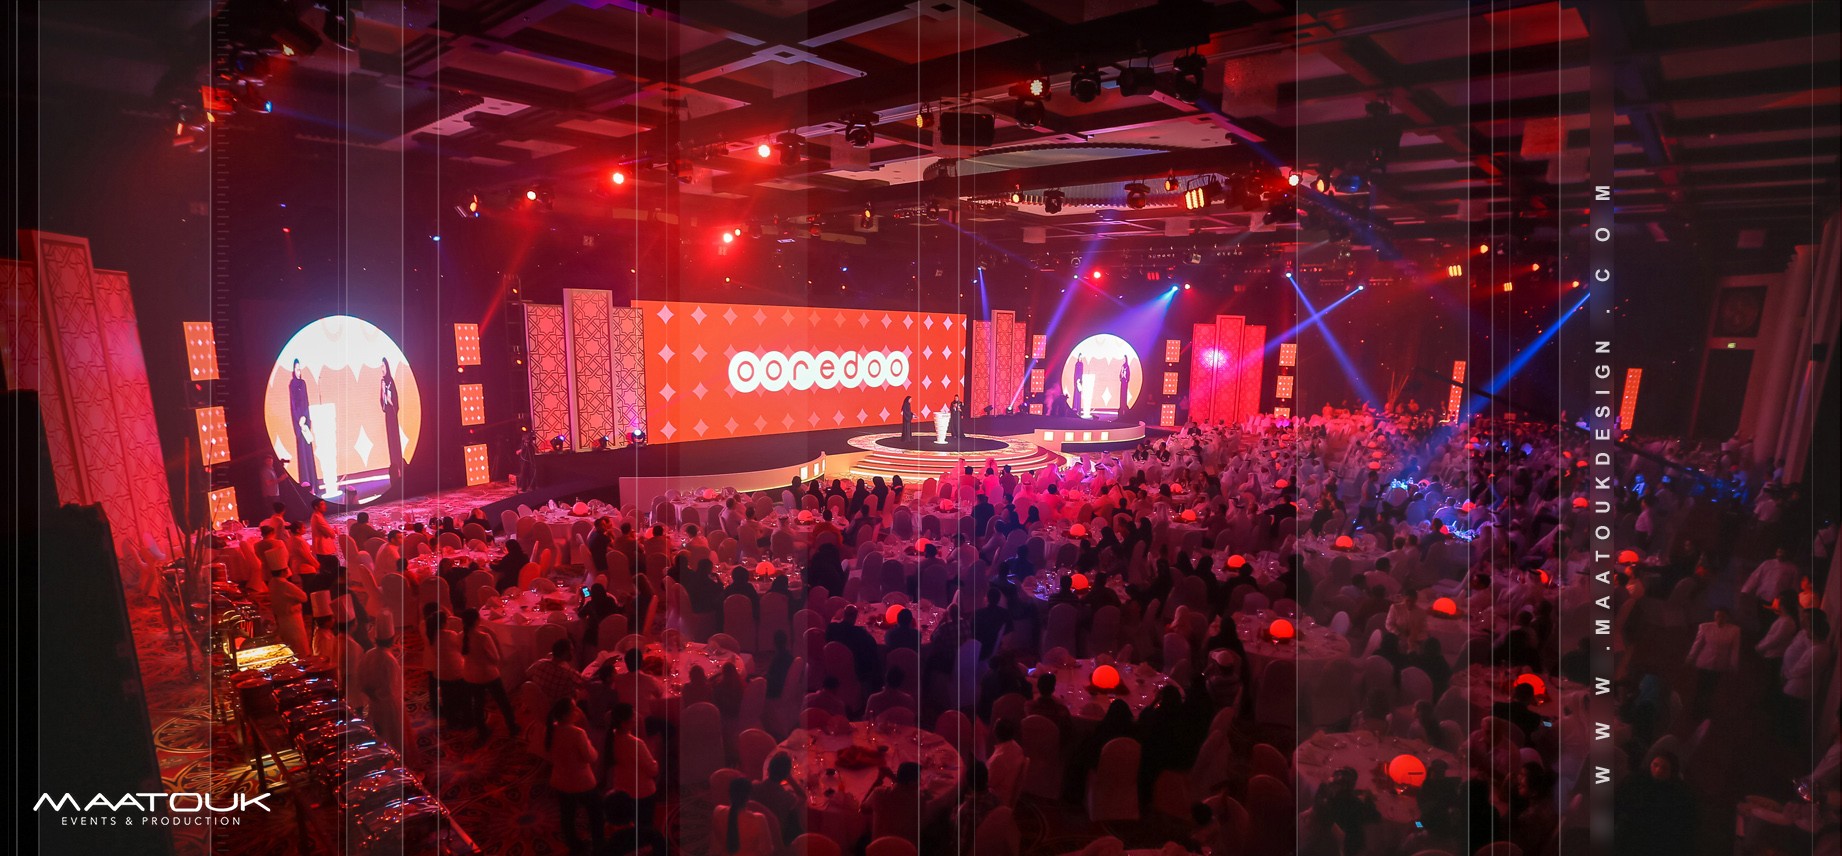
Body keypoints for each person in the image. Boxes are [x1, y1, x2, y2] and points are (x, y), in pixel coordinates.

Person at [602, 702, 667, 856]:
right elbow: (653, 770)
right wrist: (655, 759)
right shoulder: (635, 744)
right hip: (642, 791)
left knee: (630, 826)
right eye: (632, 717)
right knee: (644, 827)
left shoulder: (612, 738)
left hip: (622, 788)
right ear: (624, 722)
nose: (635, 719)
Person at [544, 697, 602, 853]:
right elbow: (592, 757)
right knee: (596, 814)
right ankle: (599, 845)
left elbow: (549, 754)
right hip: (581, 782)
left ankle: (574, 845)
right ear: (565, 715)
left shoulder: (551, 729)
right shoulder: (577, 733)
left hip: (560, 781)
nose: (578, 711)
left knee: (567, 816)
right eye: (574, 709)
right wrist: (590, 745)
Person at [355, 623, 418, 766]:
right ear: (392, 639)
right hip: (390, 705)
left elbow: (361, 679)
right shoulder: (389, 660)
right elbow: (393, 688)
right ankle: (397, 764)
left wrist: (371, 694)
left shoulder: (369, 654)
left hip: (374, 703)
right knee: (394, 736)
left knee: (380, 732)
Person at [1614, 750, 1696, 855]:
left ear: (1672, 771)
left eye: (1664, 768)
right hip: (1630, 834)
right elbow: (1618, 803)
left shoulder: (1679, 794)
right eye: (1655, 765)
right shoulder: (1635, 781)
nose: (1658, 770)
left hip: (1658, 840)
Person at [459, 611, 519, 745]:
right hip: (488, 673)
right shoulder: (483, 637)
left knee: (478, 705)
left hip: (469, 675)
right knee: (503, 701)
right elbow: (495, 658)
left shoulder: (459, 636)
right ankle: (512, 726)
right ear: (477, 621)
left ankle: (482, 732)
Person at [1685, 606, 1741, 719]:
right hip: (1704, 662)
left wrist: (1733, 665)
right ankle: (1696, 710)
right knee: (1701, 686)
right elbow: (1697, 644)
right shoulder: (1705, 627)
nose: (1719, 619)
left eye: (1722, 616)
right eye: (1717, 616)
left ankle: (1705, 708)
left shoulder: (1735, 630)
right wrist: (1690, 658)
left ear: (1727, 618)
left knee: (1711, 688)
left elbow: (1735, 649)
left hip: (1720, 664)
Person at [863, 762, 923, 844]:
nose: (920, 783)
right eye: (919, 780)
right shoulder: (918, 801)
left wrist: (878, 780)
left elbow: (863, 808)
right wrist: (893, 777)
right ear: (912, 783)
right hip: (905, 848)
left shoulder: (879, 793)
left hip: (877, 848)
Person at [713, 777, 774, 856]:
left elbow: (715, 844)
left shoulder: (718, 811)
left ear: (729, 793)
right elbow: (768, 850)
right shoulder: (759, 819)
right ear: (749, 797)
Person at [752, 753, 807, 838]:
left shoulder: (754, 787)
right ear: (786, 775)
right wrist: (790, 779)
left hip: (756, 831)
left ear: (768, 769)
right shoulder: (786, 797)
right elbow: (803, 797)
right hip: (776, 837)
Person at [527, 638, 588, 707]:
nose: (573, 652)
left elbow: (527, 674)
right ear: (565, 653)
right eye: (571, 650)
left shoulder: (540, 663)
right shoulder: (568, 673)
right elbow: (585, 684)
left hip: (539, 703)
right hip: (558, 706)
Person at [288, 358, 318, 494]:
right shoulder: (292, 384)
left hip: (305, 420)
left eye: (299, 369)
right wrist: (298, 419)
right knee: (302, 451)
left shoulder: (303, 383)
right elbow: (293, 405)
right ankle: (306, 484)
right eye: (296, 369)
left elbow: (306, 401)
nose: (298, 371)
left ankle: (314, 484)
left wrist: (305, 417)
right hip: (298, 423)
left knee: (309, 450)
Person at [986, 717, 1028, 807]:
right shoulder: (1017, 747)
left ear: (995, 733)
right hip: (1007, 794)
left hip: (996, 800)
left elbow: (988, 783)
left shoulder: (999, 758)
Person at [379, 357, 404, 488]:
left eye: (383, 366)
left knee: (395, 440)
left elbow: (394, 400)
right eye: (381, 366)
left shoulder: (390, 381)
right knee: (390, 440)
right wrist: (383, 392)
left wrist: (389, 398)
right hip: (388, 415)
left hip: (393, 415)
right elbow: (382, 402)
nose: (382, 369)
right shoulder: (382, 382)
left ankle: (399, 466)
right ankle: (394, 467)